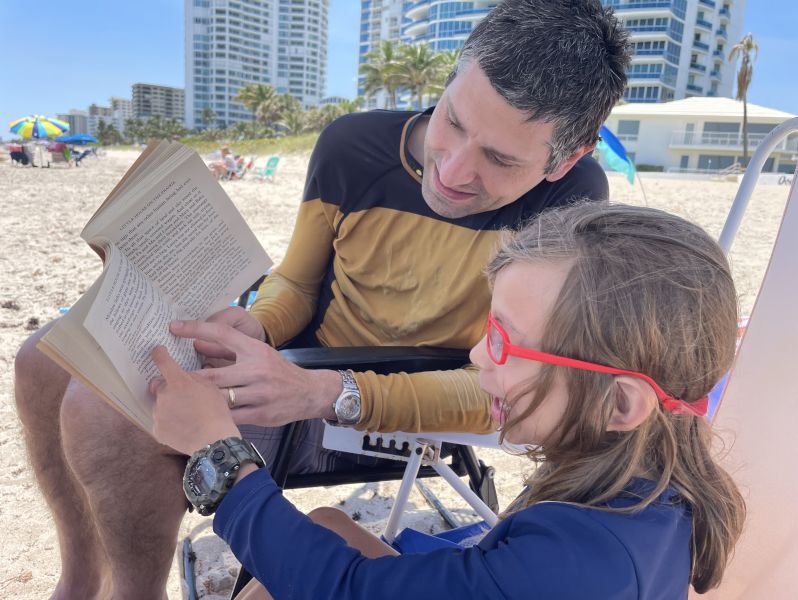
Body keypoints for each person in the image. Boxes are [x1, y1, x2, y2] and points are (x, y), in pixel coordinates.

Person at [13, 1, 630, 597]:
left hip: (391, 408)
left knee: (104, 408)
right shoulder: (352, 145)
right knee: (42, 359)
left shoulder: (572, 205)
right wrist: (258, 327)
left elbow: (522, 389)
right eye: (453, 121)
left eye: (498, 158)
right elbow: (300, 281)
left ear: (566, 158)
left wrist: (326, 390)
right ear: (449, 80)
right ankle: (81, 576)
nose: (453, 170)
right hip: (297, 365)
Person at [150, 202, 746, 599]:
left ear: (619, 405)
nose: (480, 358)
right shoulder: (641, 492)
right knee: (330, 523)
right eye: (488, 329)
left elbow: (346, 589)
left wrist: (220, 457)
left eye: (505, 341)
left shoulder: (584, 569)